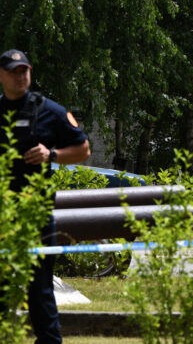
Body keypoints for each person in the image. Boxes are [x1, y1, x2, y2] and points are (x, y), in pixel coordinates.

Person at [0, 49, 90, 344]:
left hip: (36, 216)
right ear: (2, 75)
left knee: (39, 290)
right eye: (14, 71)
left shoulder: (48, 110)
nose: (20, 76)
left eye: (24, 70)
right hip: (3, 218)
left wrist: (51, 154)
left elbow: (83, 150)